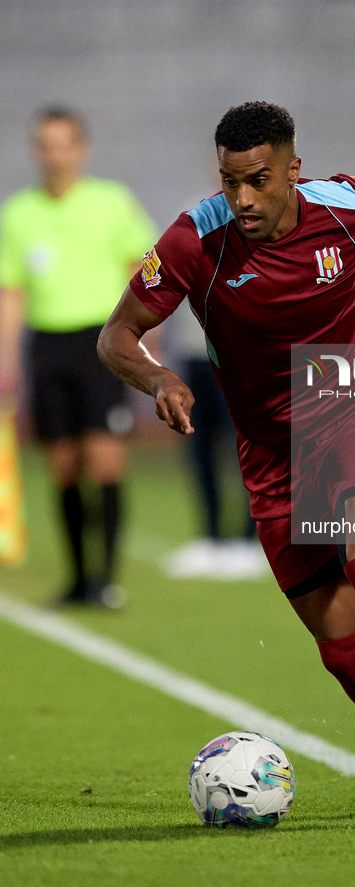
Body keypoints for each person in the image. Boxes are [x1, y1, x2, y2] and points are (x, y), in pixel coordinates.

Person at [98, 101, 355, 814]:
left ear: (293, 170)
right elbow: (117, 334)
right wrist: (157, 376)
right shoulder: (191, 242)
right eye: (231, 182)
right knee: (341, 648)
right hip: (269, 452)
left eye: (258, 180)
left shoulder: (344, 203)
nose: (242, 199)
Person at [0, 107, 158, 607]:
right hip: (47, 345)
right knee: (64, 464)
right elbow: (12, 292)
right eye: (45, 143)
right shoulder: (18, 214)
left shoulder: (112, 203)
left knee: (105, 459)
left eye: (63, 143)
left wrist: (144, 340)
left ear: (80, 149)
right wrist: (7, 360)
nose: (54, 153)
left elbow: (142, 265)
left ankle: (106, 578)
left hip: (102, 341)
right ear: (36, 151)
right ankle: (77, 577)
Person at [162, 301, 267, 580]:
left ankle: (249, 538)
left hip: (242, 350)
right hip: (193, 350)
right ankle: (211, 536)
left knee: (245, 446)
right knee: (198, 443)